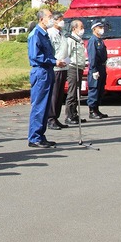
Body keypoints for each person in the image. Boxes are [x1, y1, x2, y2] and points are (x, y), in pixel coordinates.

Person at [27, 9, 66, 148]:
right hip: (40, 71)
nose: (51, 19)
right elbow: (35, 56)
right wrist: (54, 62)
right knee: (39, 105)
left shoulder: (45, 34)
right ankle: (34, 137)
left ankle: (41, 135)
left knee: (45, 105)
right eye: (49, 17)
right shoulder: (35, 34)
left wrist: (55, 61)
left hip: (48, 71)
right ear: (41, 19)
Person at [47, 12, 69, 130]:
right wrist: (55, 61)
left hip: (64, 66)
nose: (62, 22)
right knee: (54, 94)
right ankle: (50, 118)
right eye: (60, 19)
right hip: (55, 67)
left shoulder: (62, 33)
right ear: (54, 21)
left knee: (60, 95)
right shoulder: (51, 33)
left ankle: (56, 117)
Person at [64, 19, 87, 125]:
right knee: (72, 92)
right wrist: (68, 66)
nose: (83, 30)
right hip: (73, 68)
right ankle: (69, 115)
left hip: (80, 67)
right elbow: (67, 56)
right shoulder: (71, 40)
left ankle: (74, 114)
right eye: (80, 28)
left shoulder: (79, 40)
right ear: (74, 28)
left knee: (77, 93)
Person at [87, 21, 109, 119]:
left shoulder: (100, 40)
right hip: (96, 67)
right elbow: (92, 57)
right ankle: (92, 110)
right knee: (94, 89)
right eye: (99, 27)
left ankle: (97, 109)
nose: (101, 29)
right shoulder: (93, 40)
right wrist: (94, 69)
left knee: (100, 89)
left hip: (102, 67)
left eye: (102, 27)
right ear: (94, 29)